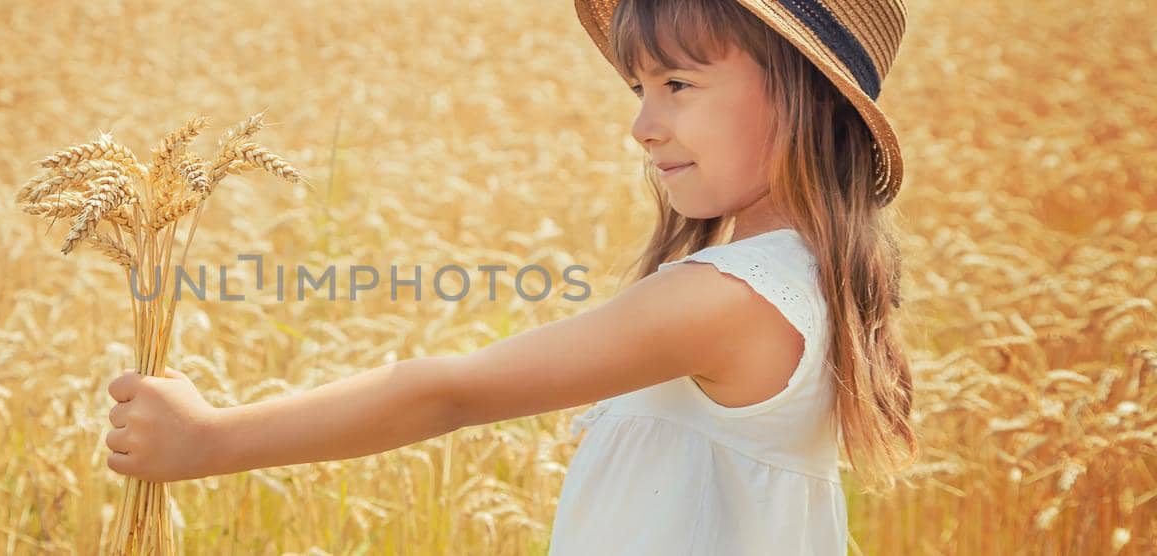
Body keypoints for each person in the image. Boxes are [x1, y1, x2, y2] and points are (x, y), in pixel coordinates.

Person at [102, 0, 919, 553]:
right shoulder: (807, 279)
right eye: (639, 88)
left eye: (678, 85)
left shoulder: (727, 298)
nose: (642, 124)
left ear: (807, 96)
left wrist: (209, 440)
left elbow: (450, 392)